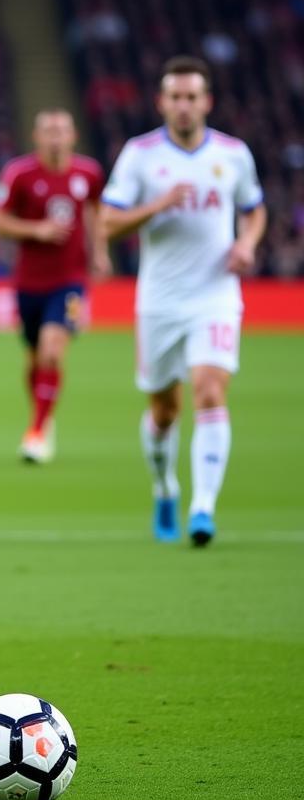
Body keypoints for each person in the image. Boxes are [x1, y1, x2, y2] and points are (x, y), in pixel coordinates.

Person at [100, 56, 266, 546]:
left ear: (206, 102)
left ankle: (203, 508)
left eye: (193, 97)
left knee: (210, 390)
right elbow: (108, 222)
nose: (184, 105)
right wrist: (157, 205)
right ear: (162, 102)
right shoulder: (140, 154)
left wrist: (247, 243)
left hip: (216, 295)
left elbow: (254, 211)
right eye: (175, 97)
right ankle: (165, 486)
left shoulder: (234, 154)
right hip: (159, 301)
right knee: (165, 409)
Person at [0, 109, 109, 463]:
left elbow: (97, 212)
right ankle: (42, 413)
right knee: (34, 356)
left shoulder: (89, 173)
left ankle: (38, 429)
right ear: (36, 136)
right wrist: (34, 230)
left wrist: (99, 252)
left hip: (70, 280)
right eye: (48, 131)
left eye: (61, 130)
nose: (55, 136)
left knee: (52, 349)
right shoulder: (19, 174)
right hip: (29, 281)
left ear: (73, 136)